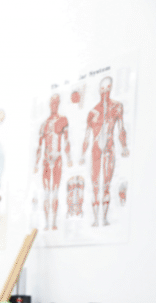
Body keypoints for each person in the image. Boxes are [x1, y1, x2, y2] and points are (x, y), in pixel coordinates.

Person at [80, 76, 130, 227]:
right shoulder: (92, 113)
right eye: (103, 89)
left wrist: (124, 146)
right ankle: (96, 219)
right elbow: (87, 136)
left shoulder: (117, 107)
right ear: (99, 90)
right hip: (96, 149)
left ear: (111, 88)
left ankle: (104, 218)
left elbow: (121, 129)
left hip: (109, 147)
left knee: (106, 184)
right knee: (95, 184)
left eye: (108, 89)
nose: (105, 93)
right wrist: (82, 155)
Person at [33, 94, 73, 231]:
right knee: (46, 192)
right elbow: (39, 146)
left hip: (57, 159)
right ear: (50, 104)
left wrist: (69, 159)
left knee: (55, 192)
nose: (54, 105)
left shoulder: (63, 120)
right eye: (52, 102)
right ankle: (45, 223)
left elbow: (66, 141)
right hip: (46, 160)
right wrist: (36, 164)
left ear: (59, 103)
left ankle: (53, 222)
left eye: (56, 102)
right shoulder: (43, 124)